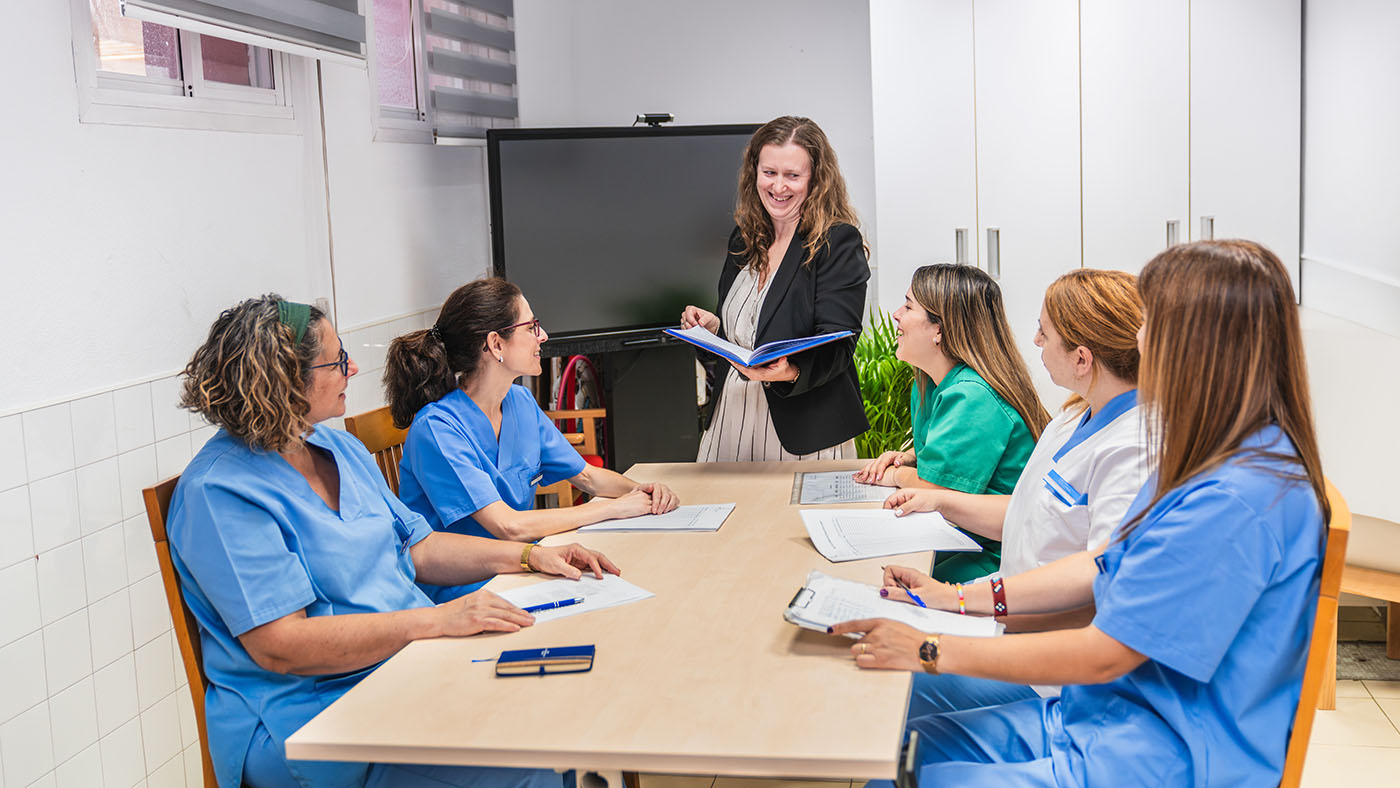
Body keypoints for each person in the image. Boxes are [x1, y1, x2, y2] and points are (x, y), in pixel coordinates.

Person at [834, 240, 1330, 786]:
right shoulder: (1216, 459)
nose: (1137, 339)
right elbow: (1103, 565)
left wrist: (931, 647)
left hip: (1150, 758)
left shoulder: (1233, 497)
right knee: (895, 744)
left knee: (893, 761)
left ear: (1195, 345)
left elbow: (1105, 653)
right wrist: (952, 599)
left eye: (1150, 323)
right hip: (1095, 719)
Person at [168, 295, 618, 788]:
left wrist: (532, 556)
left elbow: (419, 549)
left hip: (405, 668)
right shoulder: (221, 492)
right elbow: (282, 647)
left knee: (557, 704)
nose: (353, 368)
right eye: (337, 361)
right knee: (521, 763)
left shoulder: (338, 447)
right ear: (284, 382)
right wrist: (439, 620)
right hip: (310, 719)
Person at [880, 268, 1149, 719]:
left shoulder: (1133, 451)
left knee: (889, 687)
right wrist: (940, 502)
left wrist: (961, 605)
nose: (1036, 342)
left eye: (1044, 333)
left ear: (1082, 358)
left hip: (1047, 666)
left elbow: (1101, 591)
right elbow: (1027, 514)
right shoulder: (1074, 417)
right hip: (1007, 617)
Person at [385, 278, 678, 601]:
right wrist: (614, 509)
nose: (544, 336)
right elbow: (508, 526)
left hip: (524, 569)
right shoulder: (437, 428)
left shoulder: (520, 402)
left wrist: (642, 491)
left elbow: (587, 476)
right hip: (465, 591)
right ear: (496, 344)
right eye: (531, 327)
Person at [682, 115, 870, 461]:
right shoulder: (744, 238)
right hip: (729, 420)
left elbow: (839, 345)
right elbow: (745, 333)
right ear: (754, 172)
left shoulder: (837, 243)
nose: (778, 187)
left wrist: (791, 371)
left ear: (815, 179)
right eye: (769, 172)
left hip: (804, 430)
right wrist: (712, 329)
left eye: (792, 175)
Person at [853, 264, 1050, 582]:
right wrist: (910, 458)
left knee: (881, 583)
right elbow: (952, 461)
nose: (896, 315)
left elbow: (936, 491)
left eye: (908, 306)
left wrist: (895, 475)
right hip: (964, 535)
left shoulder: (972, 395)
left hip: (1000, 553)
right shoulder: (929, 383)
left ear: (940, 330)